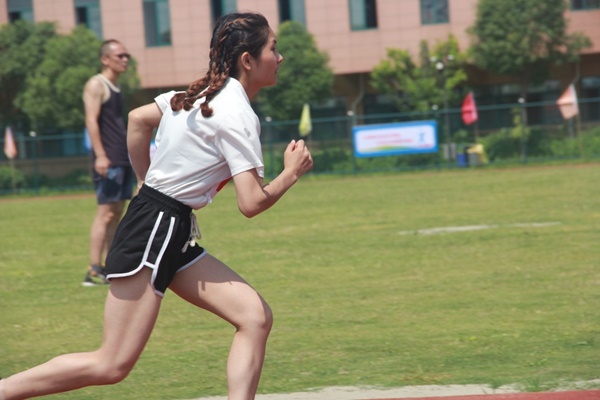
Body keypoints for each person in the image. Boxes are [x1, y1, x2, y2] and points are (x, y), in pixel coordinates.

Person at [0, 12, 312, 400]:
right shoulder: (235, 113)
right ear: (248, 60)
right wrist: (291, 173)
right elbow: (250, 203)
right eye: (273, 49)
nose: (280, 57)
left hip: (166, 225)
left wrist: (145, 181)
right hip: (157, 228)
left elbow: (137, 120)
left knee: (254, 316)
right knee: (111, 364)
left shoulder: (199, 95)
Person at [82, 39, 134, 286]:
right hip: (109, 158)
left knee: (116, 213)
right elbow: (91, 121)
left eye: (126, 56)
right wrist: (101, 155)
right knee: (105, 213)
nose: (125, 60)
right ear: (105, 59)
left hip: (121, 157)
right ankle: (93, 270)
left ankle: (110, 266)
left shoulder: (116, 86)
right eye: (119, 56)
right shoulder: (96, 84)